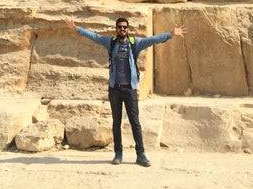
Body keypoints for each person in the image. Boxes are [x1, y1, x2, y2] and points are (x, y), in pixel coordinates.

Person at [64, 15, 185, 166]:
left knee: (135, 123)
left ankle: (140, 155)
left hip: (130, 90)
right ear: (116, 29)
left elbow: (153, 39)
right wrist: (76, 29)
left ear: (128, 29)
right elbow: (94, 36)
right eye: (119, 27)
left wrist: (171, 34)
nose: (122, 29)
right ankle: (118, 154)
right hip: (115, 89)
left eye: (124, 27)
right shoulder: (111, 42)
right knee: (116, 123)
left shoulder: (136, 43)